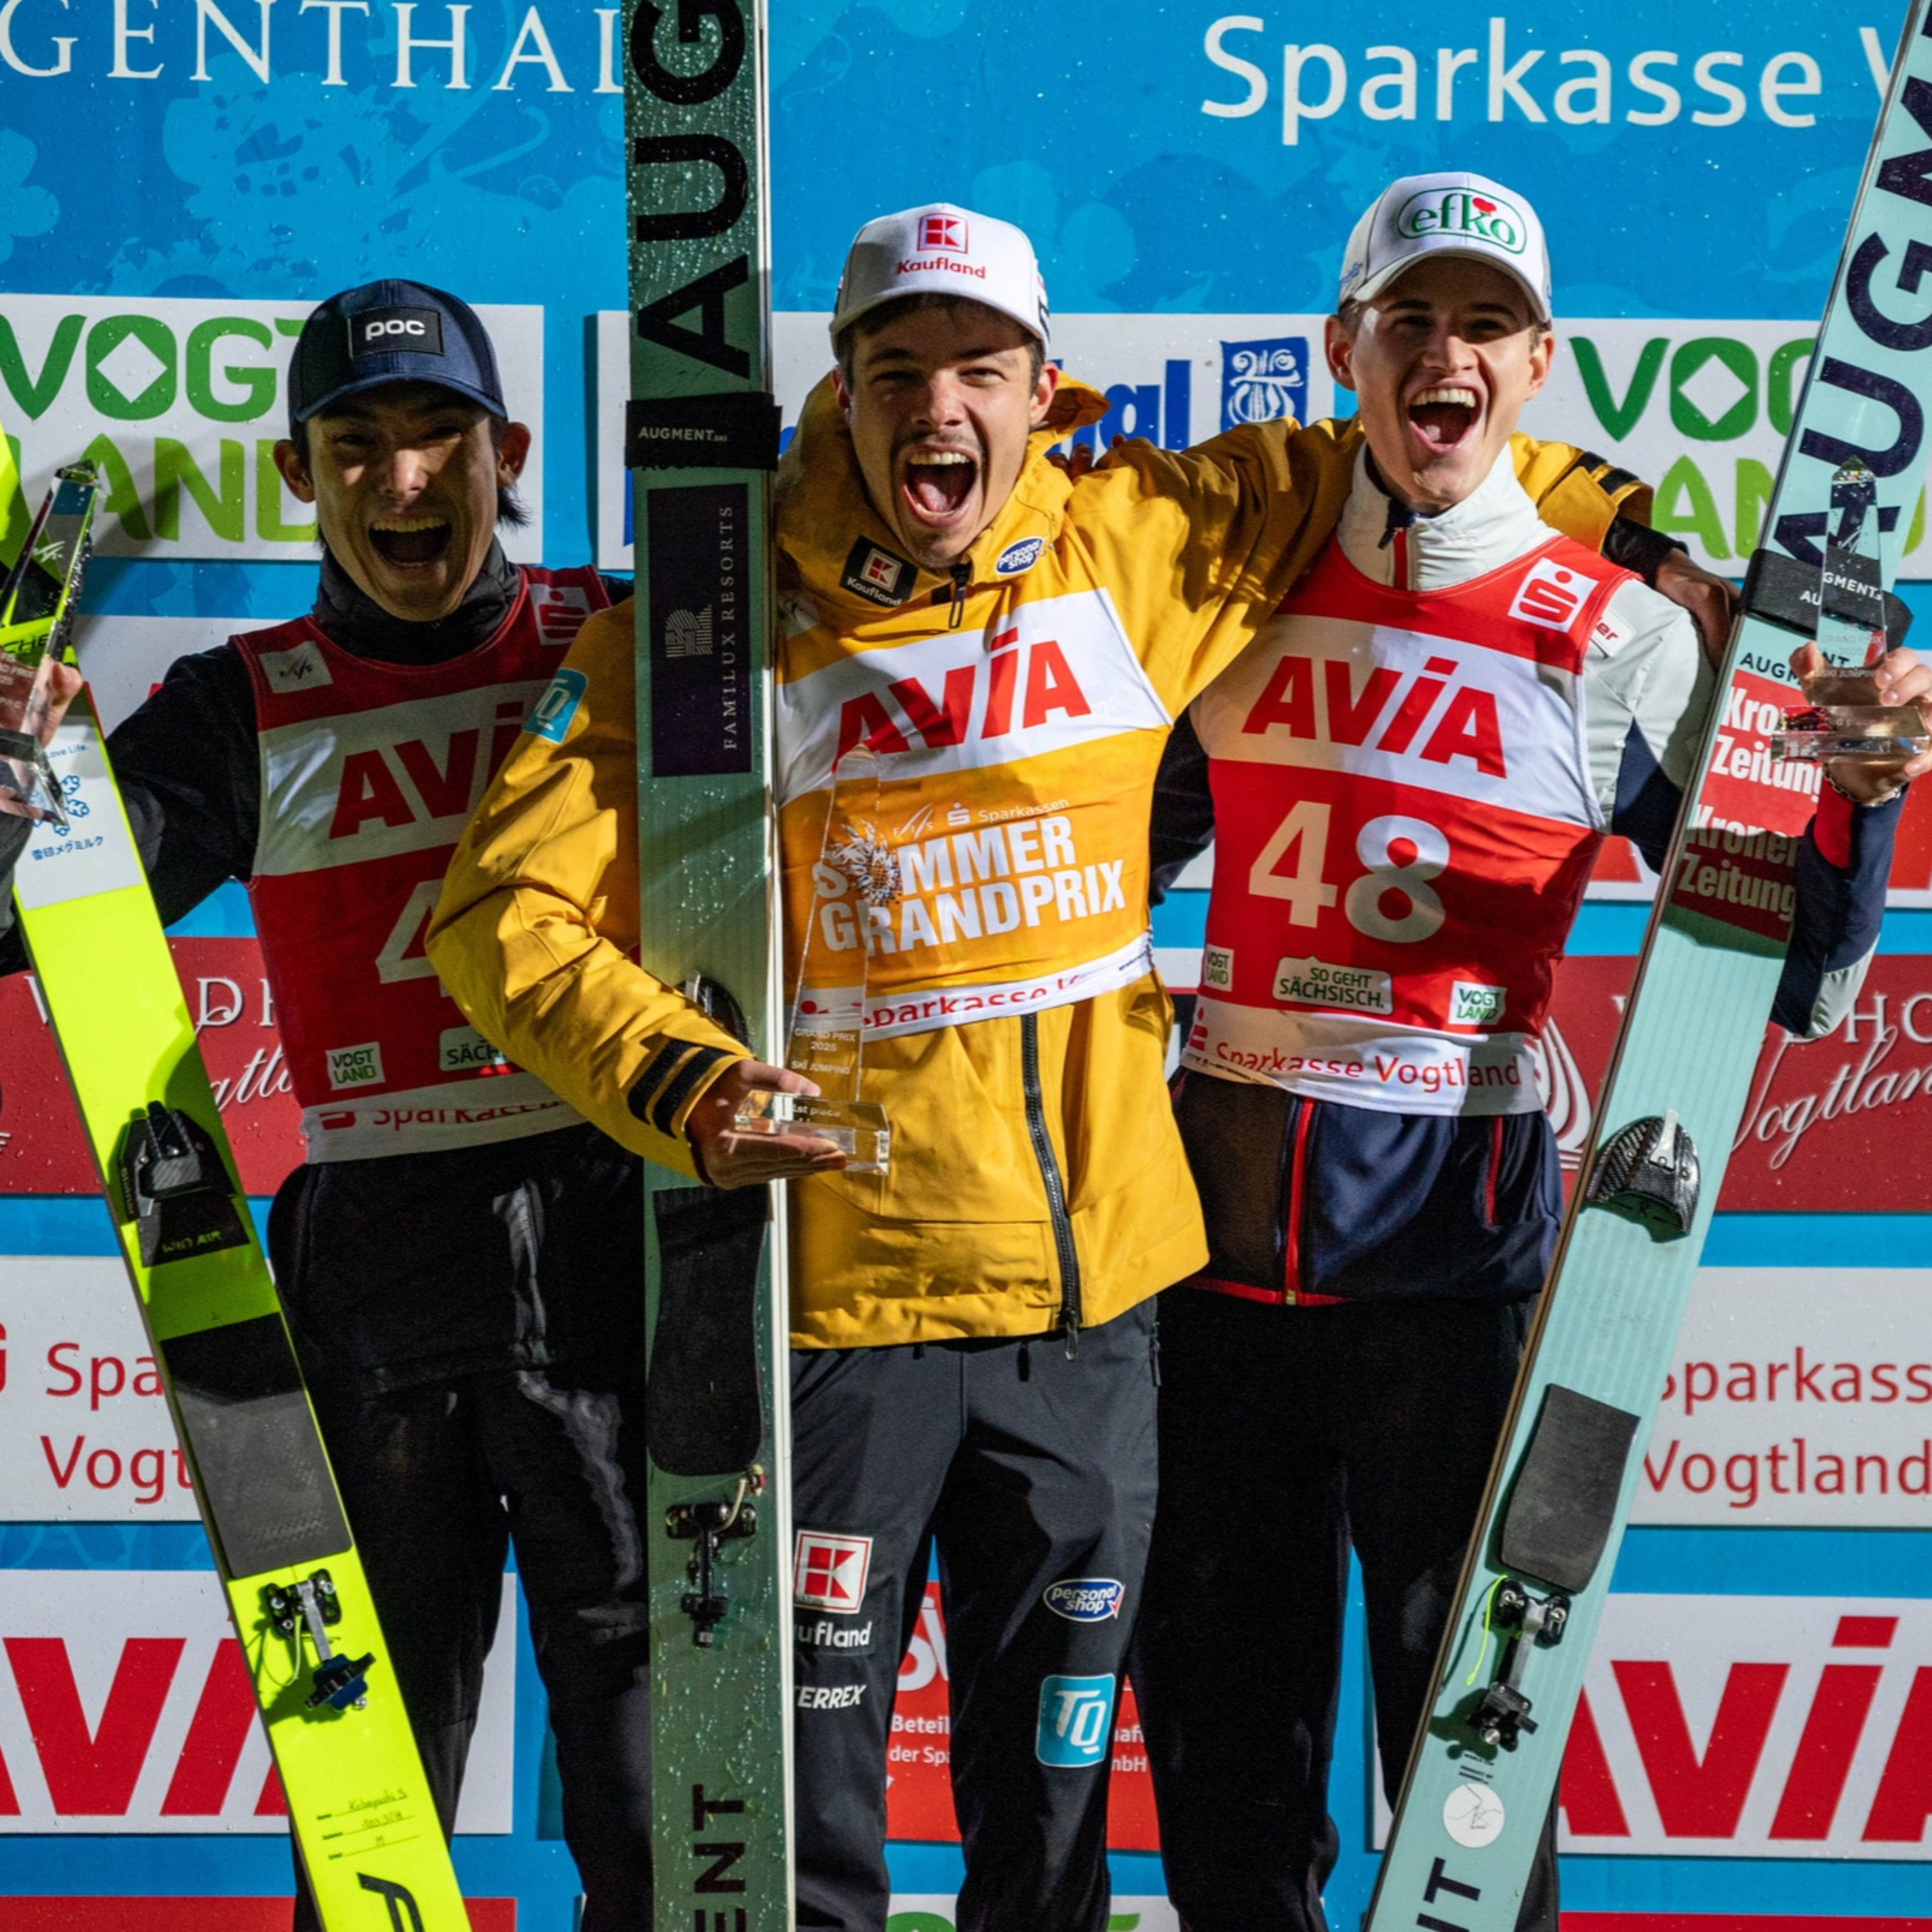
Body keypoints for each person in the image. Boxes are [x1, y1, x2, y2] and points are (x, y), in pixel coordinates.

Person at [426, 203, 1716, 1932]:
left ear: (1045, 390)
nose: (938, 407)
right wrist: (683, 1081)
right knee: (809, 1845)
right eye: (898, 370)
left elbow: (1421, 448)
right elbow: (500, 912)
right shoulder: (718, 620)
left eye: (981, 368)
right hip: (849, 1305)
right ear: (844, 388)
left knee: (1049, 1848)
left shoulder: (1141, 542)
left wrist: (1634, 534)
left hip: (1094, 1316)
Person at [1130, 171, 1932, 1932]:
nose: (1448, 354)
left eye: (1486, 326)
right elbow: (1095, 871)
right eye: (1410, 320)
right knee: (1223, 1765)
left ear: (1540, 363)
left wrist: (1861, 798)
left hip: (1452, 1265)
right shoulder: (1229, 595)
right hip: (1210, 1263)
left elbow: (1801, 968)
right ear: (1342, 349)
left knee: (1473, 1772)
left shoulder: (1617, 630)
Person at [0, 281, 654, 1931]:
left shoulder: (617, 635)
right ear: (301, 475)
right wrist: (19, 781)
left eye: (439, 436)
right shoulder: (241, 701)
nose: (402, 478)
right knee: (373, 1786)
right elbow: (30, 917)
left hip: (614, 1234)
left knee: (654, 1773)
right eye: (356, 445)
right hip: (380, 1257)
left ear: (509, 452)